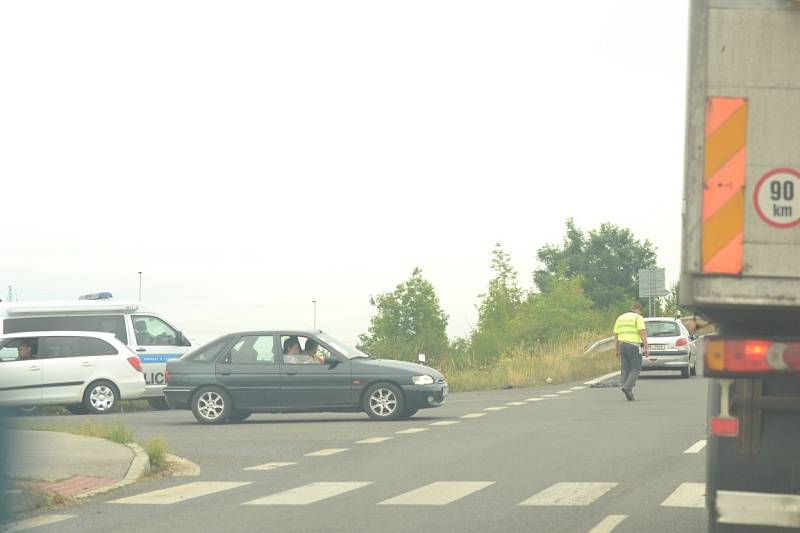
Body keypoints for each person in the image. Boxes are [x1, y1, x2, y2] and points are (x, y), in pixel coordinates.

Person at [613, 303, 649, 401]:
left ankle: (626, 387)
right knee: (636, 368)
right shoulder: (638, 318)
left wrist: (616, 349)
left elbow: (616, 335)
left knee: (625, 368)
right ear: (638, 310)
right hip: (633, 345)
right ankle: (627, 387)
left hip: (622, 345)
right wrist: (646, 348)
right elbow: (642, 333)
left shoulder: (620, 318)